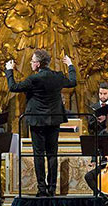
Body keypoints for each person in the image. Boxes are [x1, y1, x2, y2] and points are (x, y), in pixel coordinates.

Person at [5, 49, 77, 197]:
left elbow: (14, 87)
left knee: (38, 154)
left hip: (37, 120)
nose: (31, 63)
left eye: (32, 61)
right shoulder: (57, 76)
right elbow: (73, 82)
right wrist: (70, 65)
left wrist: (9, 71)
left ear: (37, 64)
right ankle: (52, 189)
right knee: (52, 154)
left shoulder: (34, 79)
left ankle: (41, 189)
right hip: (54, 120)